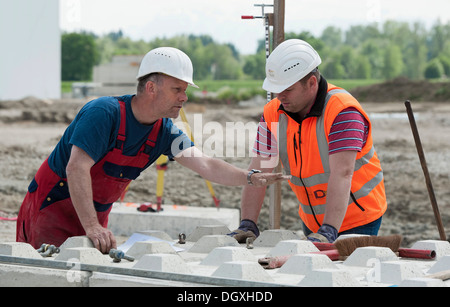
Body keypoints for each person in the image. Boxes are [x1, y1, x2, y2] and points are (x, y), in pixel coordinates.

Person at [16, 47, 290, 253]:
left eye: (185, 90)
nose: (184, 97)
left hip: (94, 220)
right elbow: (76, 168)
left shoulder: (164, 132)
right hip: (51, 211)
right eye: (177, 89)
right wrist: (92, 227)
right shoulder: (103, 113)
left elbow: (205, 164)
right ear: (150, 88)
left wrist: (250, 177)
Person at [230, 39, 387, 244]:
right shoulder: (273, 113)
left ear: (312, 83)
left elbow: (343, 173)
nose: (280, 96)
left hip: (358, 218)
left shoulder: (343, 112)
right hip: (312, 220)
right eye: (276, 89)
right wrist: (248, 224)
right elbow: (258, 170)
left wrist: (329, 230)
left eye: (287, 89)